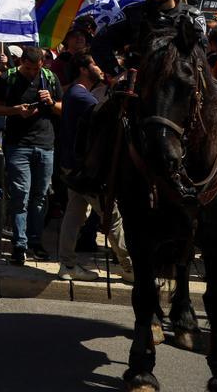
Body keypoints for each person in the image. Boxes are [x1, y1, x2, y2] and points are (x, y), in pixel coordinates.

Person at [56, 52, 132, 282]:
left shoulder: (76, 93)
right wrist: (118, 85)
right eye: (95, 63)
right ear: (83, 69)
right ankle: (130, 267)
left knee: (74, 214)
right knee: (111, 214)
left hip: (75, 167)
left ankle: (67, 264)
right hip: (85, 170)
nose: (99, 68)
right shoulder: (80, 95)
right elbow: (106, 113)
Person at [0, 45, 62, 265]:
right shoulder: (7, 78)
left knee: (40, 196)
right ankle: (19, 244)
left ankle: (35, 240)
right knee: (21, 194)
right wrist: (16, 110)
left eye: (36, 68)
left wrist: (51, 103)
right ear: (22, 63)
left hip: (45, 144)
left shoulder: (50, 78)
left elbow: (62, 108)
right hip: (18, 145)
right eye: (29, 68)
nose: (33, 72)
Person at [92, 0, 206, 82]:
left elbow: (200, 55)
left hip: (183, 82)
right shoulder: (132, 14)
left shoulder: (192, 16)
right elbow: (99, 44)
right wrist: (117, 72)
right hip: (139, 82)